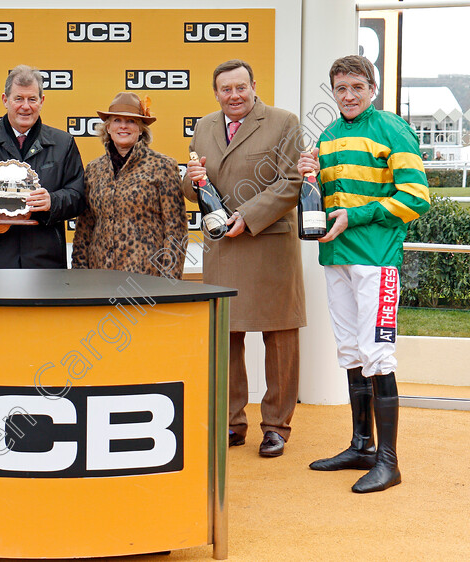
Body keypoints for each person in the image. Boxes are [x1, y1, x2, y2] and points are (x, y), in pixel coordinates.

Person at [298, 55, 430, 493]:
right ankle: (362, 445)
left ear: (372, 88)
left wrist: (355, 217)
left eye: (357, 87)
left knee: (378, 353)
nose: (349, 96)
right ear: (332, 92)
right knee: (352, 350)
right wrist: (308, 179)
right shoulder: (329, 134)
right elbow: (327, 202)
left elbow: (416, 196)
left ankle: (389, 463)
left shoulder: (391, 128)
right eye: (341, 89)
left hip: (376, 260)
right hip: (336, 258)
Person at [181, 59, 305, 457]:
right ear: (215, 92)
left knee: (280, 337)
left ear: (254, 86)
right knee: (227, 338)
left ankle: (276, 427)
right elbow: (194, 186)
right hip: (224, 246)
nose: (233, 96)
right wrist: (191, 177)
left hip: (269, 244)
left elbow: (292, 181)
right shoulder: (203, 126)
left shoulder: (284, 122)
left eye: (240, 87)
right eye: (225, 90)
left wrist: (248, 216)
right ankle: (232, 423)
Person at [0, 64, 85, 269]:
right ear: (5, 100)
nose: (25, 106)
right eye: (18, 98)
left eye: (32, 99)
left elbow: (78, 195)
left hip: (46, 262)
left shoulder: (63, 143)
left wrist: (52, 201)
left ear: (41, 101)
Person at [71, 92, 185, 278]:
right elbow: (85, 228)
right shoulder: (93, 169)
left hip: (146, 278)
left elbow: (176, 228)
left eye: (131, 121)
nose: (123, 126)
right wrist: (80, 275)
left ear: (141, 129)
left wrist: (169, 279)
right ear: (108, 128)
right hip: (100, 277)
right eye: (117, 120)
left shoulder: (163, 166)